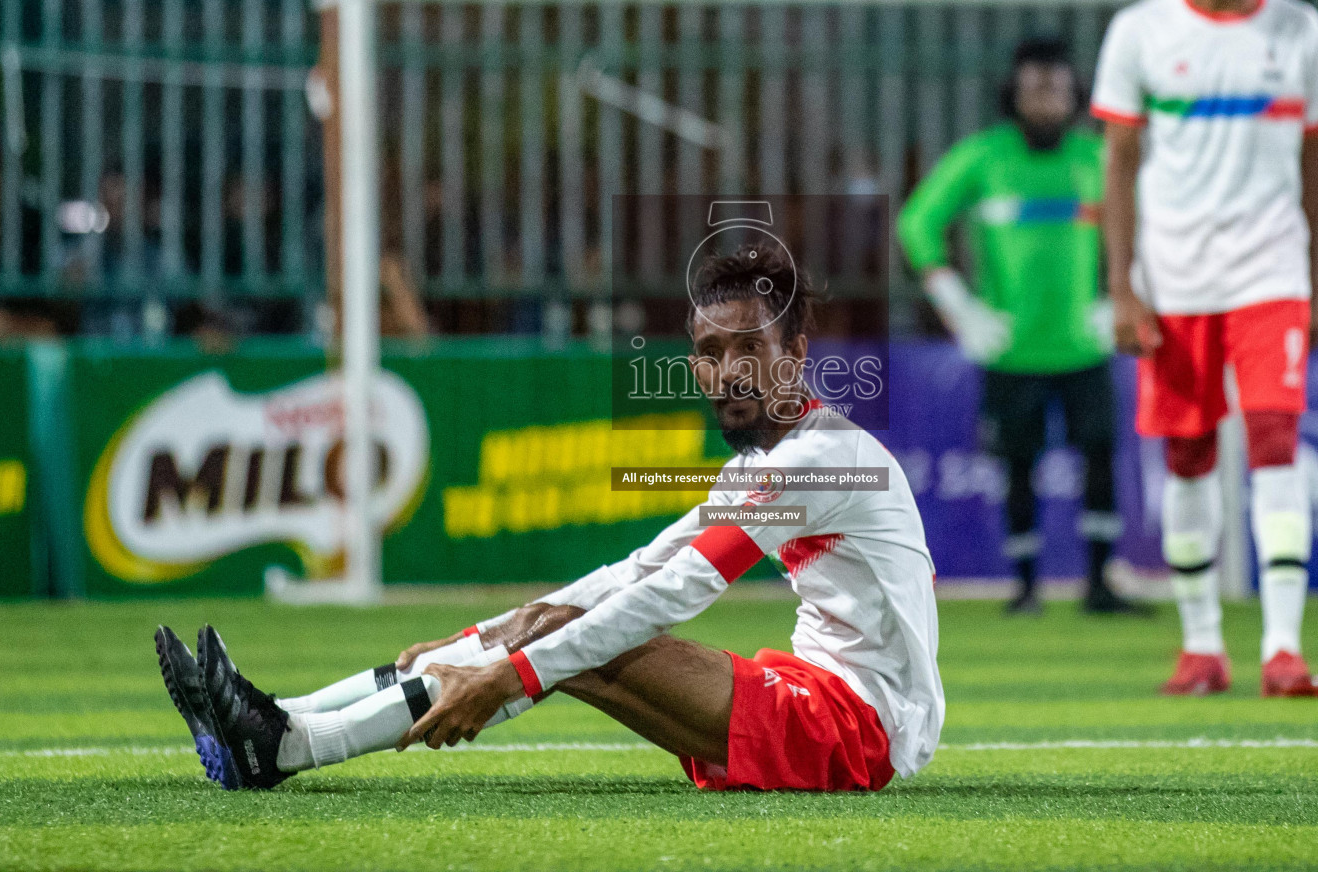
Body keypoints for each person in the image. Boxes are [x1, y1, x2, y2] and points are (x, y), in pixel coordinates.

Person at [155, 242, 943, 792]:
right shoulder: (761, 461)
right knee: (561, 623)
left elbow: (681, 591)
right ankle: (282, 718)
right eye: (709, 351)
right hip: (810, 694)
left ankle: (291, 747)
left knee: (571, 642)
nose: (725, 371)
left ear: (797, 356)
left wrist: (512, 666)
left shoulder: (822, 459)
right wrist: (483, 639)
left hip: (857, 728)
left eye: (750, 349)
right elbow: (636, 569)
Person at [1091, 0, 1318, 696]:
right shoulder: (1140, 31)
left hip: (1271, 271)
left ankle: (1283, 648)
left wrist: (1316, 278)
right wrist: (1124, 289)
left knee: (1275, 439)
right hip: (1173, 278)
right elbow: (1119, 164)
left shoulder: (1299, 28)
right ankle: (1202, 647)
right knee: (1191, 456)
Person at [897, 37, 1138, 615]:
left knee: (1101, 456)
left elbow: (1149, 226)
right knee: (1017, 466)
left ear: (1075, 95)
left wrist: (1124, 297)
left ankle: (1100, 584)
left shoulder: (1096, 158)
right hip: (1010, 349)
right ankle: (1026, 586)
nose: (1046, 100)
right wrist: (958, 304)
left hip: (1085, 343)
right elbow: (916, 224)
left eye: (1056, 88)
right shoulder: (983, 157)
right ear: (1013, 94)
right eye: (1034, 88)